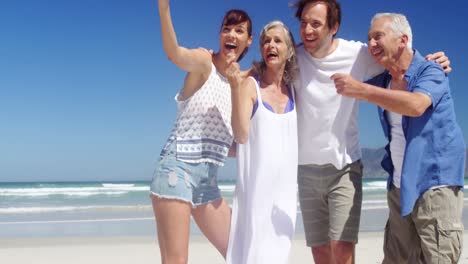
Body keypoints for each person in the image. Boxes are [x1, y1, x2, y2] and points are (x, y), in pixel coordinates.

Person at [290, 1, 452, 263]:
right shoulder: (293, 56)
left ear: (334, 27)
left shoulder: (358, 54)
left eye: (316, 23)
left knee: (343, 252)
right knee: (322, 253)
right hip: (310, 169)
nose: (307, 29)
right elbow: (263, 68)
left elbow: (403, 58)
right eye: (303, 22)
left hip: (347, 167)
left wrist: (435, 61)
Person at [331, 13, 465, 263]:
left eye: (377, 36)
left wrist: (361, 91)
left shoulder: (431, 71)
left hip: (434, 185)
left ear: (402, 40)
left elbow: (415, 105)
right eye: (369, 38)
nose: (371, 43)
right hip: (399, 187)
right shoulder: (383, 80)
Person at [151, 0, 252, 263]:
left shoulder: (240, 84)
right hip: (177, 171)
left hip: (207, 182)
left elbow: (228, 143)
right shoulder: (204, 62)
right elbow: (175, 53)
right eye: (227, 29)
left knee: (242, 252)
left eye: (239, 31)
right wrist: (164, 9)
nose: (231, 35)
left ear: (249, 41)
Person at [225, 20, 299, 264]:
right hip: (256, 195)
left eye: (278, 40)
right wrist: (236, 89)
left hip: (285, 195)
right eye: (266, 41)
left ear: (289, 50)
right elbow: (241, 134)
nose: (271, 45)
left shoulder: (295, 91)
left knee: (279, 255)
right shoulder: (250, 86)